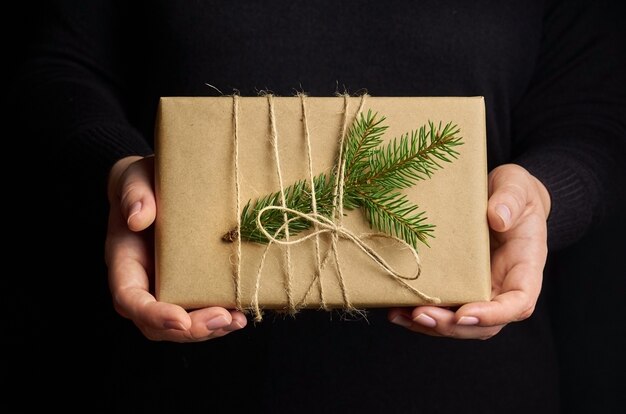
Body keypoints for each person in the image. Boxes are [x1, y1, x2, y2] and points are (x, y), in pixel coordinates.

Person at [11, 0, 625, 412]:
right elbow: (58, 64)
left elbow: (592, 109)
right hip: (168, 377)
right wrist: (116, 170)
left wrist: (544, 193)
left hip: (469, 384)